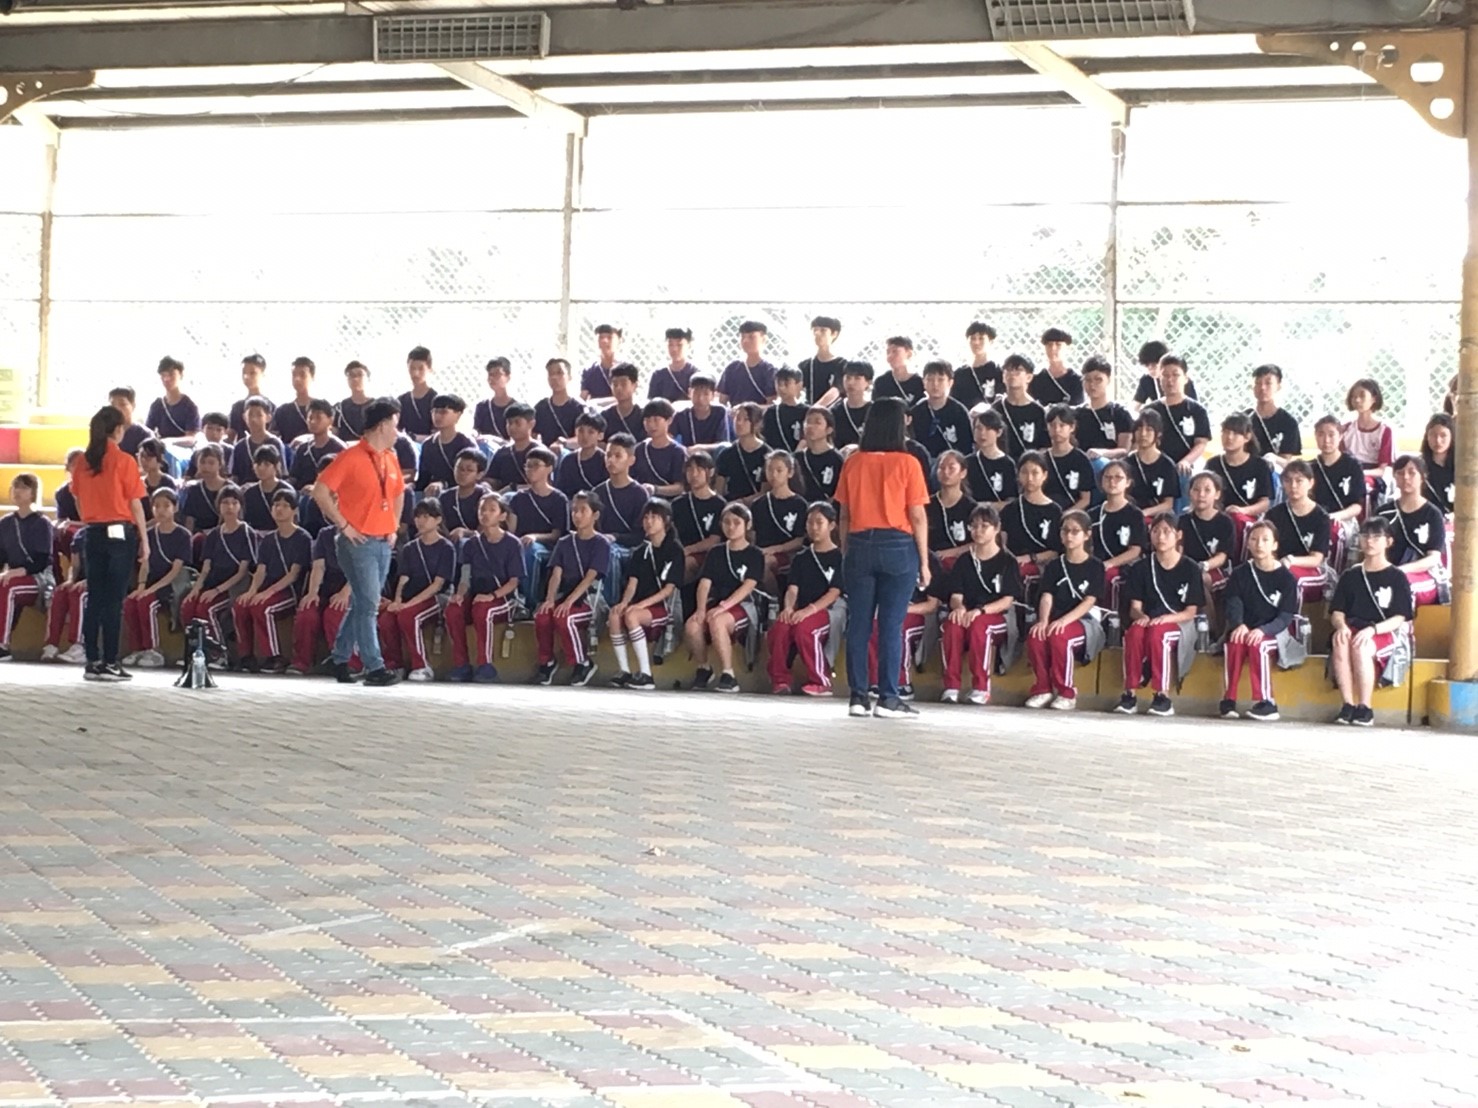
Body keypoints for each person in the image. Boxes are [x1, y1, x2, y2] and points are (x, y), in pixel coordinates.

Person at [834, 397, 930, 720]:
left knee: (859, 623)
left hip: (859, 543)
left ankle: (857, 697)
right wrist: (924, 562)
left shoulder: (853, 463)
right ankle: (888, 697)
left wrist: (847, 550)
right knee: (891, 624)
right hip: (898, 545)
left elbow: (844, 514)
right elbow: (917, 516)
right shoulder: (908, 463)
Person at [311, 397, 407, 688]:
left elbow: (398, 493)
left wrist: (393, 526)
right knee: (368, 605)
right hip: (359, 541)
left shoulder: (390, 458)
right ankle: (374, 665)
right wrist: (344, 525)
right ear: (382, 425)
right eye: (395, 425)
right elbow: (320, 491)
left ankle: (340, 658)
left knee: (363, 602)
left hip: (382, 540)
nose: (398, 431)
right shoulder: (351, 456)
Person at [69, 405, 149, 681]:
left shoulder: (82, 462)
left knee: (95, 597)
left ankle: (92, 660)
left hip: (92, 532)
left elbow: (77, 497)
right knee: (114, 600)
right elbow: (135, 504)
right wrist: (145, 539)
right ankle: (111, 661)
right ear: (117, 429)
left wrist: (90, 518)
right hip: (118, 532)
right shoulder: (124, 461)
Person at [1115, 512, 1203, 718]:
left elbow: (1190, 612)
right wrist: (1141, 616)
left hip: (1179, 623)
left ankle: (1162, 695)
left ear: (1178, 535)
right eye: (1156, 531)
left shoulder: (1190, 568)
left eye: (1166, 531)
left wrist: (1166, 619)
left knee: (1158, 635)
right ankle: (1130, 692)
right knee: (1134, 633)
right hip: (1151, 620)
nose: (1161, 537)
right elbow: (1135, 607)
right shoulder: (1141, 568)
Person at [1329, 517, 1414, 727]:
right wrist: (1341, 626)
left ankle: (1365, 706)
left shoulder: (1397, 576)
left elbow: (1400, 617)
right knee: (1340, 641)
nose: (1369, 541)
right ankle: (1347, 704)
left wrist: (1373, 630)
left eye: (1376, 536)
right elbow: (1337, 611)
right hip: (1355, 627)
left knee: (1361, 646)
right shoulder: (1350, 575)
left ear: (1388, 541)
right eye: (1365, 536)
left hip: (1384, 631)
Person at [939, 504, 1020, 706]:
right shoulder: (964, 560)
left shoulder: (1007, 561)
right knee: (952, 625)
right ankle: (951, 686)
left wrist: (981, 611)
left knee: (980, 627)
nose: (978, 531)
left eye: (984, 526)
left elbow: (1007, 600)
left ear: (996, 528)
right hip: (968, 612)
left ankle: (981, 687)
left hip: (996, 615)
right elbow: (956, 595)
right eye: (974, 526)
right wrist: (959, 608)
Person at [1219, 520, 1299, 723]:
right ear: (1247, 544)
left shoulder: (1287, 578)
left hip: (1274, 632)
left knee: (1259, 645)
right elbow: (1233, 602)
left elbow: (1285, 616)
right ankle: (1229, 698)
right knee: (1235, 642)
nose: (1259, 544)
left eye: (1265, 540)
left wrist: (1263, 630)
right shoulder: (1240, 574)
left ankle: (1267, 702)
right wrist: (1239, 624)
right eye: (1254, 539)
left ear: (1275, 545)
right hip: (1246, 628)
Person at [1026, 509, 1105, 711]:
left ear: (1087, 534)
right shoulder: (1054, 565)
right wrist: (1043, 620)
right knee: (1036, 636)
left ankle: (1066, 692)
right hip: (1055, 618)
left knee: (1060, 636)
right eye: (1065, 531)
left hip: (1084, 621)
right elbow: (1047, 595)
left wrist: (1064, 621)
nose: (1069, 536)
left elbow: (1089, 601)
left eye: (1075, 531)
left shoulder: (1095, 566)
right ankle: (1042, 688)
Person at [684, 502, 763, 694]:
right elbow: (705, 583)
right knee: (693, 625)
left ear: (747, 525)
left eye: (737, 522)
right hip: (716, 602)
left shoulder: (755, 554)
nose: (731, 527)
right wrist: (700, 609)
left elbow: (748, 586)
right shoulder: (716, 552)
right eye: (727, 522)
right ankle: (704, 668)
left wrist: (724, 607)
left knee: (717, 621)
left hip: (743, 604)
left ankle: (729, 675)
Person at [766, 502, 844, 696]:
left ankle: (821, 680)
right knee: (781, 627)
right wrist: (788, 608)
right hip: (802, 608)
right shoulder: (801, 558)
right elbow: (793, 588)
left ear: (831, 525)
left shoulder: (840, 557)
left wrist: (809, 610)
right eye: (810, 523)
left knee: (805, 629)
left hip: (829, 610)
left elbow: (834, 592)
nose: (814, 527)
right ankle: (780, 679)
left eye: (819, 522)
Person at [444, 493, 523, 684]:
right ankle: (461, 664)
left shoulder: (512, 543)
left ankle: (485, 665)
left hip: (503, 598)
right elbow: (465, 576)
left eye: (492, 510)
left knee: (482, 611)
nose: (486, 514)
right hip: (476, 595)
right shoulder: (471, 545)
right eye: (482, 510)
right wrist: (460, 594)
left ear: (502, 515)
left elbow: (514, 581)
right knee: (453, 610)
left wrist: (492, 596)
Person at [232, 488, 312, 674]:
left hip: (289, 591)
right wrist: (252, 591)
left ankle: (274, 657)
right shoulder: (268, 539)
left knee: (263, 608)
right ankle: (246, 656)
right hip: (268, 587)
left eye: (285, 506)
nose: (279, 509)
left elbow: (293, 574)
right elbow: (261, 570)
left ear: (294, 510)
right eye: (276, 505)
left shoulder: (302, 538)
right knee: (241, 605)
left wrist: (268, 593)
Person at [608, 498, 684, 691]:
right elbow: (632, 583)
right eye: (646, 517)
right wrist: (624, 602)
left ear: (666, 521)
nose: (649, 521)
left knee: (632, 615)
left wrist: (640, 606)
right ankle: (624, 670)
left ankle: (646, 674)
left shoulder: (675, 550)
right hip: (641, 605)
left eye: (654, 517)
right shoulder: (640, 551)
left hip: (663, 607)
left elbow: (669, 589)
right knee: (615, 615)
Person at [535, 490, 609, 687]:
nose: (577, 515)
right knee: (542, 616)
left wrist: (569, 602)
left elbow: (591, 577)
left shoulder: (601, 543)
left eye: (583, 510)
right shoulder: (564, 543)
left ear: (595, 515)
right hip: (564, 595)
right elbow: (556, 574)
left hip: (588, 599)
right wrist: (550, 599)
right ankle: (547, 662)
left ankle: (582, 662)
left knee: (564, 617)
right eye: (574, 510)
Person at [378, 497, 455, 682]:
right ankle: (394, 664)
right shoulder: (410, 548)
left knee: (409, 616)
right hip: (410, 597)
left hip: (437, 597)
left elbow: (438, 584)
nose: (421, 521)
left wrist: (409, 605)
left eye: (426, 516)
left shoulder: (446, 548)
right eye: (418, 516)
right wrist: (398, 600)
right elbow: (403, 578)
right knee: (387, 618)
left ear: (438, 520)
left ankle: (422, 665)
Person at [119, 487, 191, 669]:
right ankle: (137, 649)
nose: (161, 510)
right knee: (130, 602)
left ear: (175, 508)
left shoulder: (183, 535)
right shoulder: (149, 534)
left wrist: (151, 590)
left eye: (166, 506)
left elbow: (176, 570)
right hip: (150, 582)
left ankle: (153, 649)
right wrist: (141, 586)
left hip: (170, 585)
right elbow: (145, 563)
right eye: (156, 506)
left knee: (146, 603)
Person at [180, 485, 254, 648]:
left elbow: (242, 571)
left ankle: (218, 652)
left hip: (232, 587)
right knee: (188, 606)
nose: (229, 507)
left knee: (206, 609)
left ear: (240, 506)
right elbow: (206, 568)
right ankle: (193, 650)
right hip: (213, 582)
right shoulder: (214, 534)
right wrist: (196, 589)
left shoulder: (246, 532)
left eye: (234, 503)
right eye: (225, 503)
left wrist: (217, 591)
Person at [866, 551, 941, 703]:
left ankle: (902, 683)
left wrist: (902, 609)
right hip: (889, 610)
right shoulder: (888, 555)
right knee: (873, 626)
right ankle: (876, 681)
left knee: (900, 628)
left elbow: (932, 605)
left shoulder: (929, 560)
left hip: (920, 613)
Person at [1376, 454, 1448, 608]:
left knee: (1402, 585)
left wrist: (1401, 570)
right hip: (1385, 569)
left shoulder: (1433, 514)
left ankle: (1402, 623)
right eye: (1400, 473)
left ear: (1423, 477)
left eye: (1412, 473)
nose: (1406, 477)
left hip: (1422, 573)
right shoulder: (1383, 512)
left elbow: (1433, 558)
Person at [0, 474, 55, 661]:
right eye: (15, 487)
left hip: (38, 579)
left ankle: (2, 645)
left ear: (33, 493)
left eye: (24, 488)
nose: (18, 491)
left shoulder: (42, 523)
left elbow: (42, 561)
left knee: (9, 588)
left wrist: (18, 572)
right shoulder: (6, 523)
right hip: (13, 576)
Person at [508, 446, 569, 611]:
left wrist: (534, 536)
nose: (530, 469)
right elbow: (511, 531)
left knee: (531, 550)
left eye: (536, 465)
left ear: (549, 468)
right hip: (521, 543)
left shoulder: (559, 498)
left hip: (547, 547)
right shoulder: (518, 498)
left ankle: (530, 602)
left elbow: (557, 534)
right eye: (528, 465)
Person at [1143, 356, 1210, 502]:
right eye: (1165, 375)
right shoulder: (1150, 410)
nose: (1170, 380)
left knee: (1185, 476)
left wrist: (1186, 461)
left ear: (1185, 378)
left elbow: (1201, 443)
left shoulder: (1197, 410)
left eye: (1175, 375)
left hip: (1184, 466)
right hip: (1156, 464)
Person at [287, 524, 350, 677]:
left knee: (335, 612)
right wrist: (313, 592)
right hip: (327, 587)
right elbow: (318, 566)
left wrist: (344, 594)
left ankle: (346, 662)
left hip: (353, 587)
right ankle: (301, 662)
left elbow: (362, 571)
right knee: (307, 612)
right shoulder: (325, 534)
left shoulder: (362, 534)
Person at [1265, 460, 1331, 605]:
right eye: (1288, 481)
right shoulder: (1274, 514)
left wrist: (1291, 561)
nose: (1293, 486)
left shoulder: (1321, 517)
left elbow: (1316, 559)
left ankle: (1290, 619)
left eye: (1299, 481)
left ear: (1310, 483)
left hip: (1308, 568)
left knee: (1292, 580)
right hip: (1278, 565)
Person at [1180, 471, 1234, 633]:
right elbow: (1178, 549)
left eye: (1207, 490)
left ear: (1217, 494)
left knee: (1199, 579)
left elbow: (1222, 556)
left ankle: (1211, 630)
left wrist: (1204, 565)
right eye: (1196, 490)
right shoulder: (1183, 520)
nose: (1201, 495)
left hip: (1214, 569)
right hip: (1187, 567)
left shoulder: (1225, 522)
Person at [1089, 461, 1145, 611]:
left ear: (1128, 482)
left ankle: (1111, 619)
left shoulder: (1134, 514)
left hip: (1124, 565)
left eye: (1118, 477)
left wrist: (1109, 564)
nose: (1112, 482)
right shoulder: (1093, 514)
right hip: (1097, 563)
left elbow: (1135, 551)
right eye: (1107, 477)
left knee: (1106, 577)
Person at [1001, 452, 1062, 588]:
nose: (1029, 478)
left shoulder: (1054, 511)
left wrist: (1031, 558)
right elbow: (1002, 544)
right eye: (1024, 472)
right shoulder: (1010, 509)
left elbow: (1056, 551)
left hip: (1042, 564)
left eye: (1035, 473)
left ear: (1044, 475)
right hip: (1013, 562)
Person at [672, 451, 726, 581]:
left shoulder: (719, 504)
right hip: (682, 552)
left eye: (699, 469)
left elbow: (715, 539)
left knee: (686, 564)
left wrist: (689, 550)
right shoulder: (677, 503)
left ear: (710, 472)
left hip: (707, 555)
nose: (694, 474)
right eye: (690, 469)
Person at [911, 361, 973, 462]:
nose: (935, 384)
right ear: (923, 382)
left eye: (940, 380)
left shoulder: (959, 412)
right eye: (930, 379)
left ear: (950, 383)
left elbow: (966, 446)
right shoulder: (916, 412)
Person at [1341, 378, 1394, 497]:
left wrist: (1361, 473)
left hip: (1373, 477)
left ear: (1374, 399)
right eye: (1354, 396)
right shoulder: (1346, 429)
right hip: (1349, 472)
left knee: (1361, 485)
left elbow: (1382, 470)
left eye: (1362, 396)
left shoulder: (1384, 431)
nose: (1357, 400)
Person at [1077, 356, 1133, 467]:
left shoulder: (1120, 413)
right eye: (1088, 380)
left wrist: (1102, 453)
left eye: (1098, 379)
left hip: (1112, 467)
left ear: (1108, 380)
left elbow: (1124, 450)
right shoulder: (1076, 414)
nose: (1092, 385)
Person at [415, 394, 476, 494]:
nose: (437, 416)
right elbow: (424, 477)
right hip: (432, 491)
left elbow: (468, 477)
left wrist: (443, 484)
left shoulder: (466, 444)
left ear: (458, 415)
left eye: (443, 412)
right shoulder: (428, 444)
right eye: (435, 411)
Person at [1246, 364, 1302, 470]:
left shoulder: (1288, 422)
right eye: (1258, 383)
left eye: (1268, 383)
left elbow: (1286, 461)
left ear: (1278, 386)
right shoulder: (1244, 419)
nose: (1262, 387)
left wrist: (1273, 459)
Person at [1125, 411, 1179, 515]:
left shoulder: (1167, 465)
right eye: (1139, 429)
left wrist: (1144, 513)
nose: (1143, 434)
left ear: (1158, 434)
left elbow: (1168, 504)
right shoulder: (1126, 463)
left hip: (1155, 516)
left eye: (1149, 429)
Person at [993, 355, 1048, 458]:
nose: (1012, 374)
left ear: (1029, 377)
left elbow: (1045, 445)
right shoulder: (996, 409)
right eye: (1008, 370)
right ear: (1003, 376)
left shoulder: (1038, 411)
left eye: (1018, 370)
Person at [714, 403, 769, 503]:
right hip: (731, 505)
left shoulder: (767, 454)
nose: (739, 423)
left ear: (757, 423)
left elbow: (765, 492)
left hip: (757, 506)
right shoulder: (726, 454)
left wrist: (743, 501)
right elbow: (719, 490)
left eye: (746, 419)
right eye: (737, 418)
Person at [926, 451, 975, 566]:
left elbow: (978, 542)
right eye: (941, 468)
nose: (946, 472)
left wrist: (951, 552)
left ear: (963, 473)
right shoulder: (926, 505)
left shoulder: (972, 507)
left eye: (951, 468)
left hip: (963, 564)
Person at [1042, 405, 1094, 512]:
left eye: (1062, 425)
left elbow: (1085, 499)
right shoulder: (1041, 459)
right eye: (1052, 425)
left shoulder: (1081, 459)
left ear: (1072, 427)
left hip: (1071, 513)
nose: (1057, 430)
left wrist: (1066, 515)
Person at [633, 400, 688, 497]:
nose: (651, 424)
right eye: (647, 420)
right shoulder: (639, 449)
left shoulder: (678, 452)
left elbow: (680, 487)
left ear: (669, 420)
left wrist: (655, 489)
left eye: (656, 420)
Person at [287, 400, 346, 489]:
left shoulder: (339, 449)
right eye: (310, 418)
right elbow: (294, 477)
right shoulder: (302, 448)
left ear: (331, 420)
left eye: (318, 418)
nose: (313, 422)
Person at [965, 408, 1016, 508]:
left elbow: (1011, 499)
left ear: (999, 432)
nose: (982, 433)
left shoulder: (1008, 463)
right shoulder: (968, 462)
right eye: (978, 428)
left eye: (988, 429)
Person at [717, 321, 778, 406]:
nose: (745, 341)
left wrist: (748, 410)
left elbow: (771, 404)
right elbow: (722, 401)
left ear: (763, 339)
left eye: (751, 337)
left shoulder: (770, 370)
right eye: (742, 337)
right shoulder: (732, 368)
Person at [229, 398, 286, 486]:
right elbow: (235, 476)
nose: (254, 419)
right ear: (244, 417)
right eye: (250, 415)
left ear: (268, 418)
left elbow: (281, 474)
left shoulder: (275, 443)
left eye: (259, 415)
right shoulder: (240, 446)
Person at [439, 449, 491, 541]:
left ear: (479, 474)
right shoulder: (445, 497)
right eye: (459, 468)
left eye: (469, 470)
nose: (463, 473)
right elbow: (441, 525)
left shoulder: (485, 497)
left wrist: (465, 533)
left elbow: (486, 530)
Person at [145, 356, 201, 440]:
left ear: (181, 375)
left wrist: (167, 442)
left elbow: (190, 438)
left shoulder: (190, 407)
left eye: (171, 374)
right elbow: (147, 433)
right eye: (163, 375)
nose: (166, 379)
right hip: (161, 447)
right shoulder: (157, 405)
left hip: (182, 448)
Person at [240, 446, 294, 532]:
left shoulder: (286, 490)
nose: (261, 468)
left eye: (266, 464)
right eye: (258, 464)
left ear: (277, 466)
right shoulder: (249, 493)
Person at [487, 403, 539, 492]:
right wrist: (486, 486)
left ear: (531, 424)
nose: (512, 427)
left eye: (517, 423)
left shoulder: (539, 452)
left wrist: (513, 489)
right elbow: (492, 479)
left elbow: (543, 485)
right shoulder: (502, 452)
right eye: (509, 423)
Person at [1132, 340, 1198, 410]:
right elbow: (1135, 406)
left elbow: (1194, 408)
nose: (1150, 369)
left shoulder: (1181, 380)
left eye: (1154, 365)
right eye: (1147, 365)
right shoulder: (1146, 380)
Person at [673, 373, 732, 450]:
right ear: (689, 393)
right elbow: (669, 437)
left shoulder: (720, 412)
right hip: (689, 454)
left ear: (713, 395)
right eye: (696, 393)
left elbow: (723, 444)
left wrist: (700, 448)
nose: (700, 398)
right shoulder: (682, 415)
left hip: (713, 454)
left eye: (706, 394)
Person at [796, 406, 844, 503]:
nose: (811, 426)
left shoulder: (837, 459)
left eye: (817, 422)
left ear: (829, 430)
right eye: (808, 422)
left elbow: (840, 492)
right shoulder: (798, 458)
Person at [535, 358, 585, 450]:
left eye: (559, 373)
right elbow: (532, 436)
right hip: (545, 456)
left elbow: (583, 439)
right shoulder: (540, 408)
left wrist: (563, 443)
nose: (554, 377)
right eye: (551, 374)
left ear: (569, 377)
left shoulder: (579, 407)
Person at [270, 357, 320, 445]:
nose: (297, 379)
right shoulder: (282, 411)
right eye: (294, 375)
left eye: (302, 375)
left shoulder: (322, 408)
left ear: (312, 377)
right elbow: (273, 440)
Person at [952, 321, 1001, 410]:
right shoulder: (959, 374)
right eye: (973, 338)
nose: (976, 342)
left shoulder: (999, 371)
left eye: (981, 338)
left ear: (991, 341)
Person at [799, 316, 845, 408]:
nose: (817, 333)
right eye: (815, 330)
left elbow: (835, 391)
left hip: (834, 412)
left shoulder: (842, 364)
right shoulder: (806, 365)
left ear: (834, 334)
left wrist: (815, 409)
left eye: (823, 330)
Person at [829, 361, 874, 452]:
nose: (851, 382)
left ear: (868, 382)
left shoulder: (875, 411)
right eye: (848, 377)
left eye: (857, 378)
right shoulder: (834, 411)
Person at [1030, 328, 1083, 405]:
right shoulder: (1036, 379)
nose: (1053, 348)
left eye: (1058, 344)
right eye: (1049, 344)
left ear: (1069, 348)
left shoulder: (1077, 380)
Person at [762, 366, 808, 453]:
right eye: (779, 384)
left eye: (787, 384)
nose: (782, 388)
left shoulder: (807, 411)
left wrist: (795, 456)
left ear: (799, 385)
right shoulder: (771, 412)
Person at [229, 354, 275, 440]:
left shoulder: (271, 407)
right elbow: (231, 437)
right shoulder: (237, 407)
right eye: (244, 373)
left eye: (252, 373)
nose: (247, 377)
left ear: (263, 374)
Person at [398, 345, 437, 441]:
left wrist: (415, 438)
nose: (416, 373)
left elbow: (439, 435)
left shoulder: (436, 399)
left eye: (421, 368)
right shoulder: (402, 400)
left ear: (429, 369)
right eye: (412, 368)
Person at [474, 357, 518, 441]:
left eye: (497, 374)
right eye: (490, 374)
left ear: (508, 377)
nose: (492, 378)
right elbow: (477, 433)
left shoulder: (517, 408)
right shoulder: (482, 407)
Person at [648, 328, 697, 402]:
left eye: (679, 345)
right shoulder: (658, 374)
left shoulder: (696, 373)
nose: (674, 349)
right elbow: (652, 403)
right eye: (670, 344)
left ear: (689, 345)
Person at [1421, 413, 1455, 515]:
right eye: (1433, 435)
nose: (1438, 440)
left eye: (1443, 435)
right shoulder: (1420, 466)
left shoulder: (1462, 467)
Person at [874, 336, 923, 405]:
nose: (890, 356)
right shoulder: (881, 382)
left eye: (895, 351)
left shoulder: (920, 382)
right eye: (888, 352)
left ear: (909, 354)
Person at [603, 363, 646, 440]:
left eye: (623, 384)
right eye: (615, 384)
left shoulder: (644, 415)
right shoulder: (604, 416)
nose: (618, 388)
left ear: (635, 385)